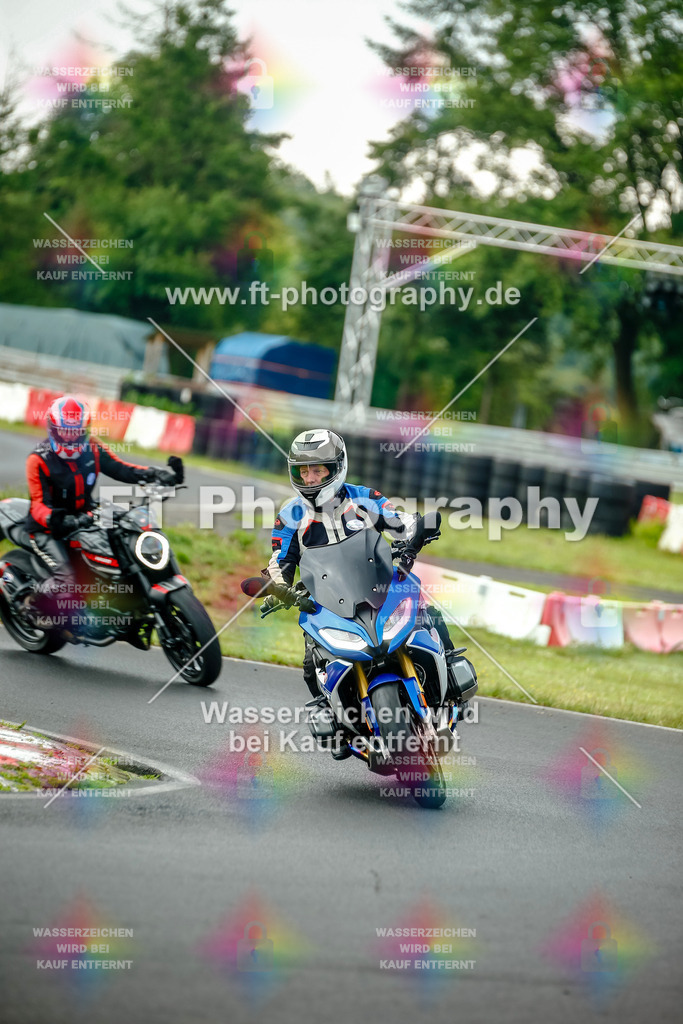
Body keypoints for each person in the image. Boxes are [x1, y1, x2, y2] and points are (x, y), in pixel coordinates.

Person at [260, 429, 452, 738]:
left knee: (428, 612)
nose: (310, 478)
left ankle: (451, 674)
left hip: (378, 586)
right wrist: (277, 587)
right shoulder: (290, 515)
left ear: (336, 468)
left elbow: (400, 523)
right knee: (312, 663)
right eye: (303, 471)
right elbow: (280, 559)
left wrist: (415, 535)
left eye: (318, 469)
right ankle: (338, 724)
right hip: (328, 599)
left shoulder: (363, 497)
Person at [22, 394, 182, 635]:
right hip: (48, 528)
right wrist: (60, 519)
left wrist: (156, 474)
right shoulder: (38, 460)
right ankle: (33, 607)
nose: (70, 437)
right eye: (64, 431)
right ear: (53, 430)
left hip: (86, 515)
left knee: (127, 533)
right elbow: (37, 505)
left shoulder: (93, 449)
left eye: (75, 431)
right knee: (66, 577)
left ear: (84, 429)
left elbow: (122, 469)